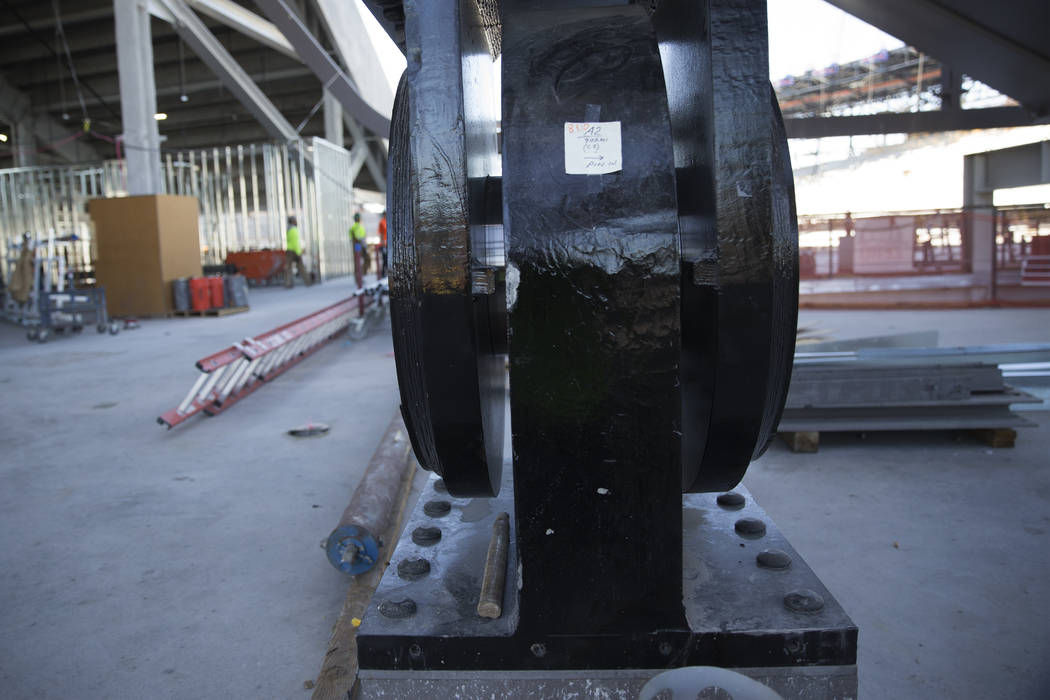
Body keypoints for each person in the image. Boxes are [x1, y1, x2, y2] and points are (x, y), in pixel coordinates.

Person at [284, 216, 308, 287]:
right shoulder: (294, 230)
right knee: (301, 267)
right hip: (294, 251)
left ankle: (288, 283)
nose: (296, 221)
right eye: (295, 220)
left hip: (289, 250)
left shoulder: (288, 229)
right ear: (293, 221)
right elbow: (295, 242)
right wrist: (298, 252)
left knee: (288, 268)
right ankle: (308, 282)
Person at [350, 212, 369, 282]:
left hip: (357, 246)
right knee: (362, 261)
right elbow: (361, 238)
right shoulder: (359, 227)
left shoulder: (353, 227)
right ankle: (360, 277)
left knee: (357, 262)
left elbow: (352, 239)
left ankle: (359, 277)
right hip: (360, 246)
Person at [377, 211, 388, 277]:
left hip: (388, 244)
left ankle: (387, 272)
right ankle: (383, 273)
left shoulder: (388, 221)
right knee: (384, 259)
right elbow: (381, 234)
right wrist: (383, 243)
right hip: (384, 244)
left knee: (387, 258)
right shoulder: (381, 222)